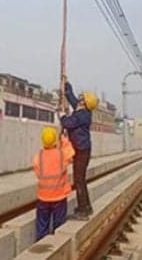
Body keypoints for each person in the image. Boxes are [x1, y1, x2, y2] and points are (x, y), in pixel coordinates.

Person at [59, 78, 98, 220]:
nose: (79, 98)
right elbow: (72, 98)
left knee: (79, 180)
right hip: (82, 149)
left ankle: (83, 209)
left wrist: (62, 116)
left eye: (82, 98)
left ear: (85, 103)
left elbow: (68, 123)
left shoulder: (81, 115)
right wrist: (67, 85)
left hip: (81, 151)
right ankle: (86, 206)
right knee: (80, 179)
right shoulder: (82, 110)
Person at [33, 127, 75, 241]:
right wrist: (64, 140)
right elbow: (71, 153)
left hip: (43, 198)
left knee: (42, 226)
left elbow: (38, 174)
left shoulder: (38, 156)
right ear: (55, 140)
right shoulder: (61, 155)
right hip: (59, 197)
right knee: (59, 225)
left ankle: (41, 245)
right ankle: (58, 246)